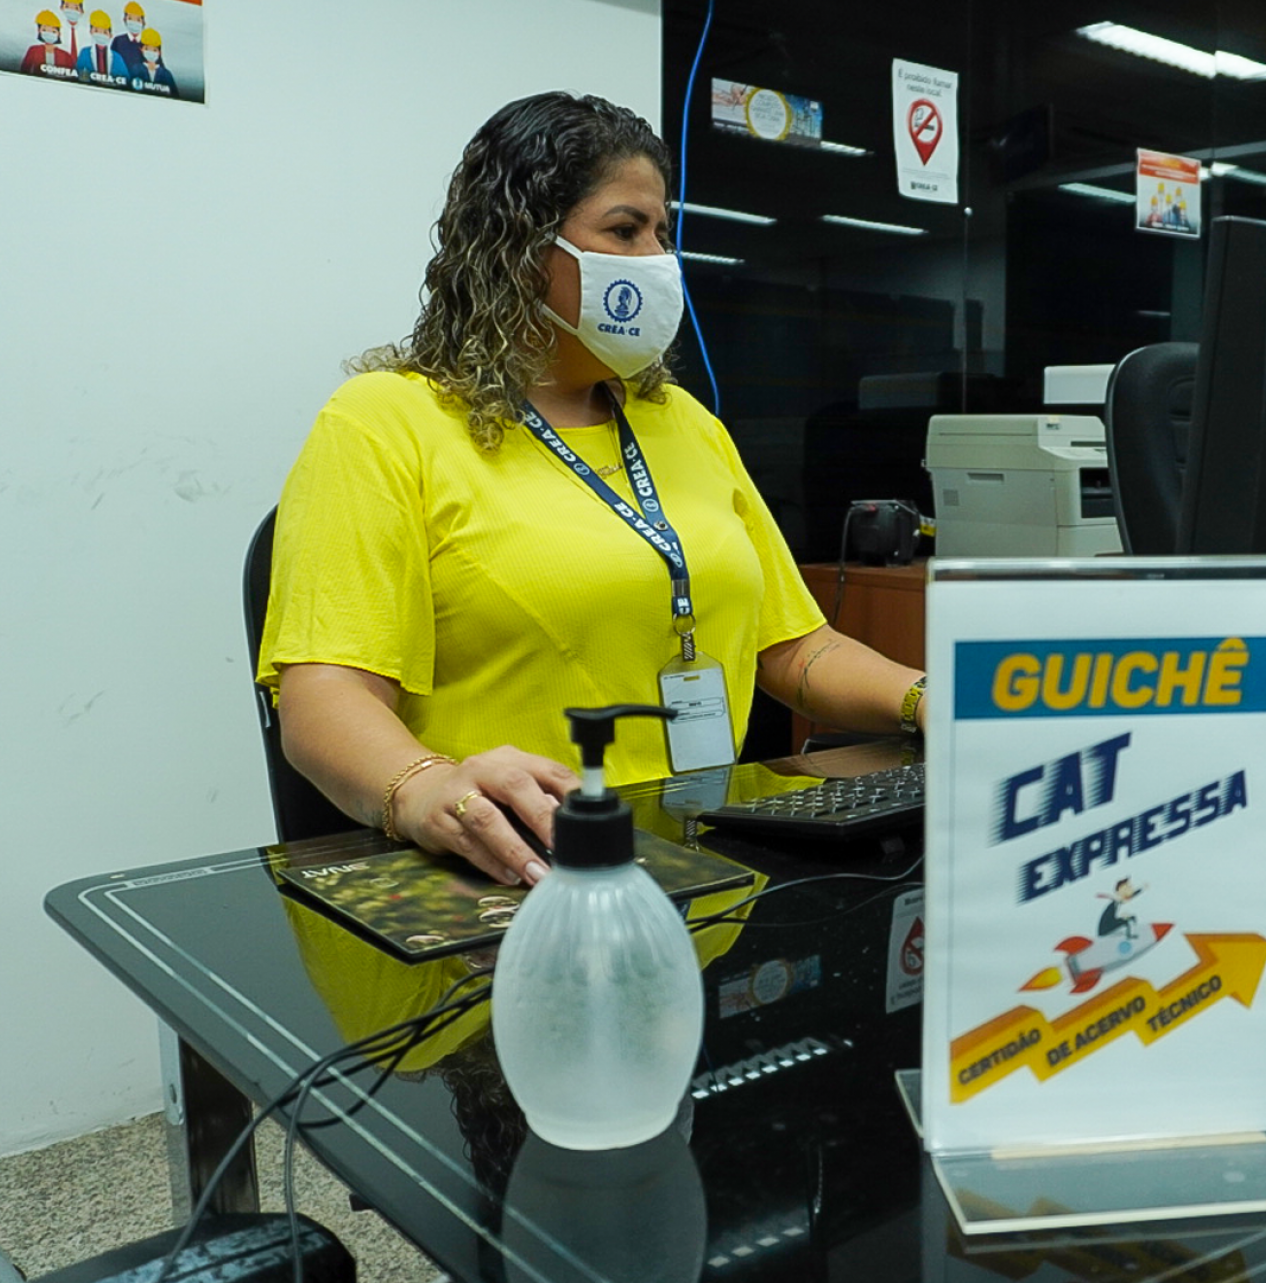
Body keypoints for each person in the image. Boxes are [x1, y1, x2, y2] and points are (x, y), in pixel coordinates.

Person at [259, 92, 928, 890]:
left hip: (703, 865)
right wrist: (426, 786)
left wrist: (932, 700)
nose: (656, 259)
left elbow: (794, 646)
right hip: (512, 870)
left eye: (662, 234)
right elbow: (323, 698)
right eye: (624, 230)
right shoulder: (384, 422)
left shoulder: (681, 422)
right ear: (518, 248)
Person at [75, 10, 129, 82]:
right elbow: (78, 74)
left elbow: (126, 80)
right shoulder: (85, 52)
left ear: (110, 35)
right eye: (96, 31)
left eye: (105, 32)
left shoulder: (117, 57)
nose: (100, 35)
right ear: (90, 32)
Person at [20, 10, 76, 77]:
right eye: (44, 30)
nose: (49, 33)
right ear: (39, 31)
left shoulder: (66, 56)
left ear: (59, 34)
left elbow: (72, 76)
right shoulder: (33, 50)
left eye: (53, 31)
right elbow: (24, 71)